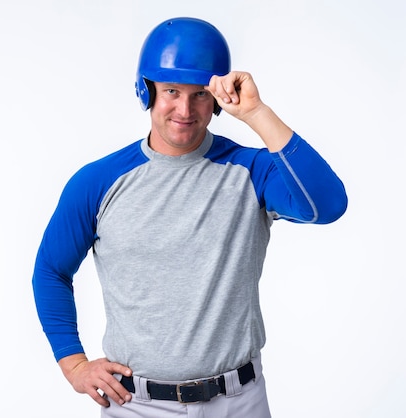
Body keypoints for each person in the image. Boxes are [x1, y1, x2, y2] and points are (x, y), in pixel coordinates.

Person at [31, 16, 347, 418]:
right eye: (171, 91)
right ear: (147, 91)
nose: (185, 109)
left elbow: (327, 206)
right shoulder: (97, 181)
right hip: (136, 405)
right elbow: (51, 270)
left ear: (216, 98)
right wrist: (73, 363)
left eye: (200, 94)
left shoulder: (252, 171)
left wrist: (256, 113)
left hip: (239, 402)